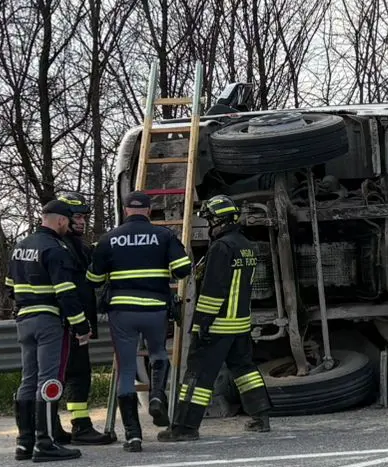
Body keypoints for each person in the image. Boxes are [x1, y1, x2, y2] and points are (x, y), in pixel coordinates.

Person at [160, 194, 273, 442]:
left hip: (218, 324)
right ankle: (261, 417)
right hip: (240, 323)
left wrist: (201, 322)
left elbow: (214, 289)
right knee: (245, 370)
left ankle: (185, 428)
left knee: (198, 376)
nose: (209, 225)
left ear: (218, 220)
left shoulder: (222, 248)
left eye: (210, 219)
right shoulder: (246, 245)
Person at [89, 189, 192, 452]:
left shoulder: (109, 239)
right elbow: (182, 270)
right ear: (148, 210)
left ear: (125, 211)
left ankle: (133, 436)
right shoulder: (164, 235)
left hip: (122, 312)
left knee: (125, 370)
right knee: (158, 353)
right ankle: (157, 395)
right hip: (155, 309)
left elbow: (94, 280)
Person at [7, 198, 89, 462]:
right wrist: (80, 324)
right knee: (49, 381)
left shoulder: (19, 247)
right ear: (62, 220)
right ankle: (46, 442)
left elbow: (10, 287)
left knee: (28, 380)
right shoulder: (55, 249)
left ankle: (24, 442)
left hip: (24, 320)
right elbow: (66, 292)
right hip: (48, 321)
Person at [53, 192, 114, 446]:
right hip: (68, 322)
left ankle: (53, 425)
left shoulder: (75, 245)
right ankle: (79, 426)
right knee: (73, 373)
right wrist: (78, 323)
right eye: (77, 216)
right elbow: (68, 289)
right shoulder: (62, 246)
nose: (82, 222)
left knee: (71, 372)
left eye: (84, 217)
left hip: (71, 321)